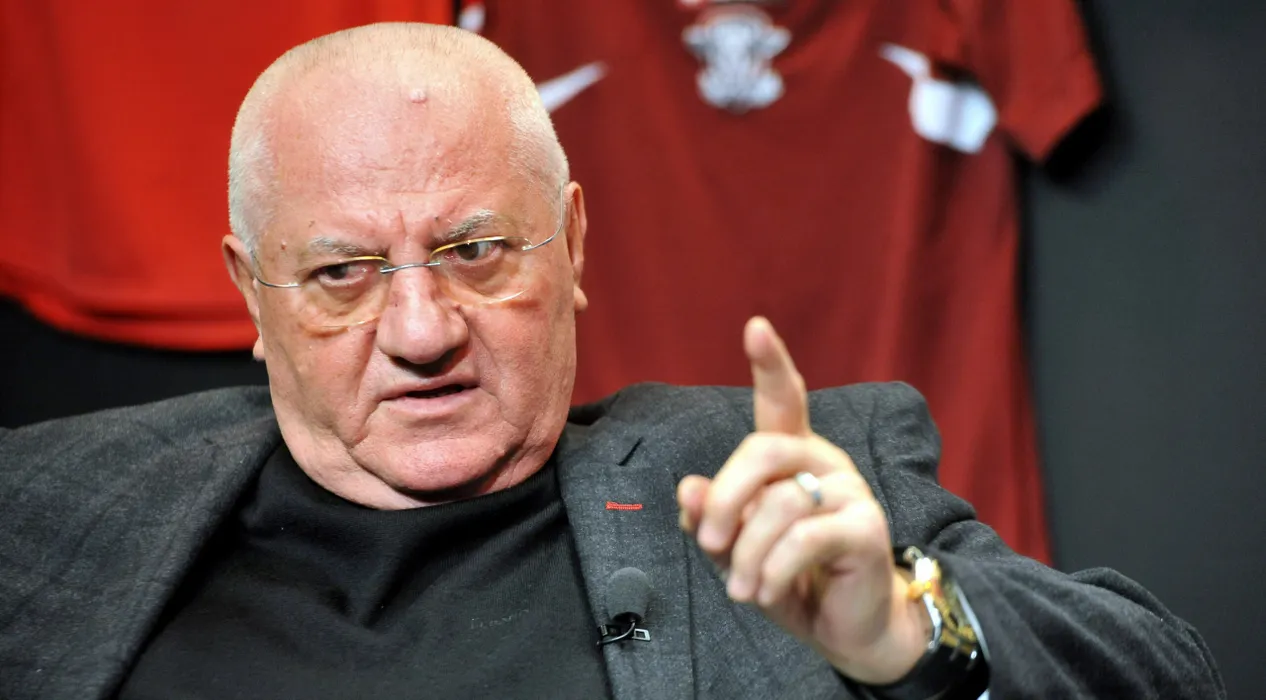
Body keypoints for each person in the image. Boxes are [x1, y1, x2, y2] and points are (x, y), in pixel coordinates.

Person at [0, 22, 1223, 700]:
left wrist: (907, 629)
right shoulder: (43, 509)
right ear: (250, 292)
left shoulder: (773, 481)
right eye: (343, 274)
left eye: (477, 251)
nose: (422, 332)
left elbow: (1165, 675)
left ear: (574, 243)